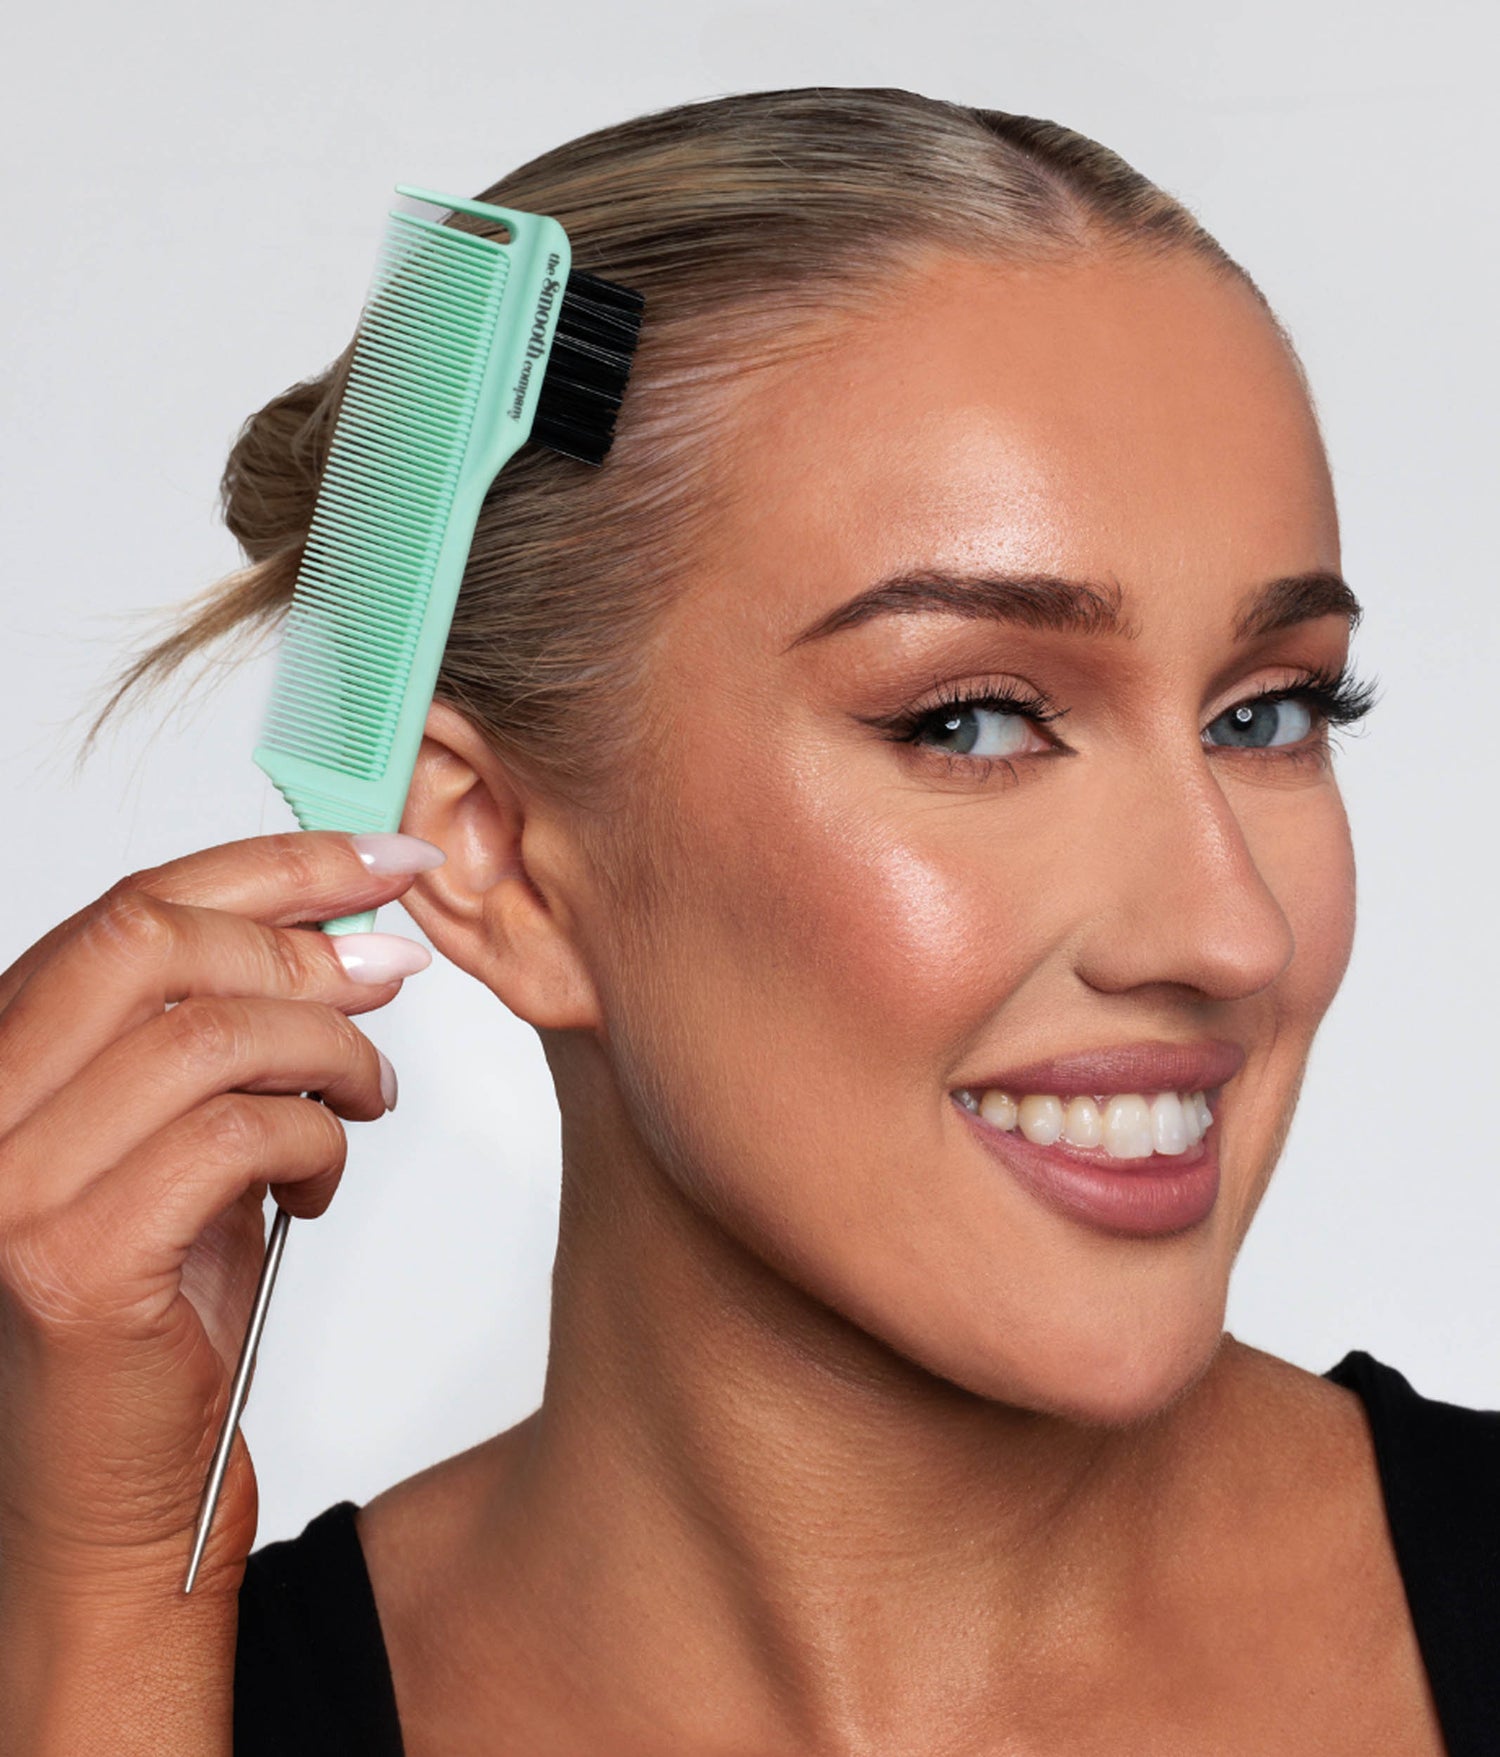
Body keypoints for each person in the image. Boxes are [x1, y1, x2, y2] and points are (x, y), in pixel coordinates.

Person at [1, 87, 1495, 1756]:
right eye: (973, 721)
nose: (1230, 934)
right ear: (495, 857)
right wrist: (105, 1606)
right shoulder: (150, 1695)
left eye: (1267, 714)